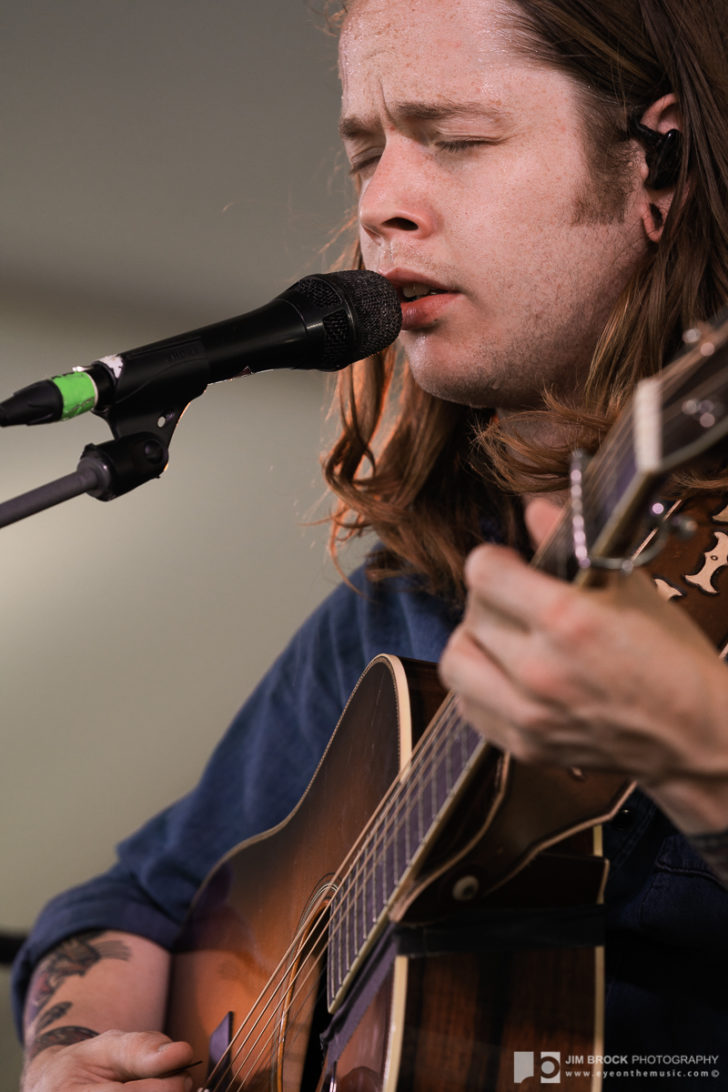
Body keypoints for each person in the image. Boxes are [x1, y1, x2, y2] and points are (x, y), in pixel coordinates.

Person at [13, 0, 728, 1088]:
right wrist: (72, 1049)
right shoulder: (404, 607)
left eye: (456, 139)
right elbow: (132, 904)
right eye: (366, 153)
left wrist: (700, 752)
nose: (382, 205)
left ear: (656, 166)